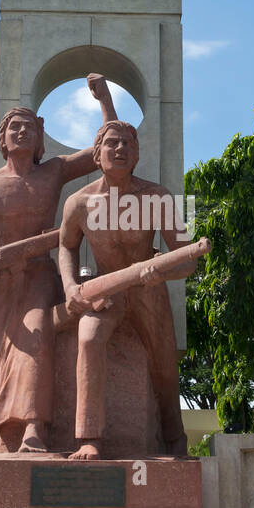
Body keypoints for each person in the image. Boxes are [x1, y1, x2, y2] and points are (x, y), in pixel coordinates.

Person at [0, 76, 118, 453]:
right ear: (3, 138)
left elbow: (105, 150)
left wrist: (104, 99)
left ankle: (33, 428)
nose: (22, 132)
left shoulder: (54, 171)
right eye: (14, 127)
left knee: (36, 337)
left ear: (40, 138)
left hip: (40, 274)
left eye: (29, 127)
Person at [57, 120, 197, 459]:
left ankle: (174, 438)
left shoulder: (156, 197)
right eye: (113, 144)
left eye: (128, 146)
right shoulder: (79, 203)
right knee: (88, 338)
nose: (120, 150)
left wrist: (162, 273)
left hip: (149, 289)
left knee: (164, 362)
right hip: (106, 289)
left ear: (136, 156)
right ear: (97, 153)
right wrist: (71, 287)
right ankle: (89, 438)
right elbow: (66, 246)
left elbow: (187, 258)